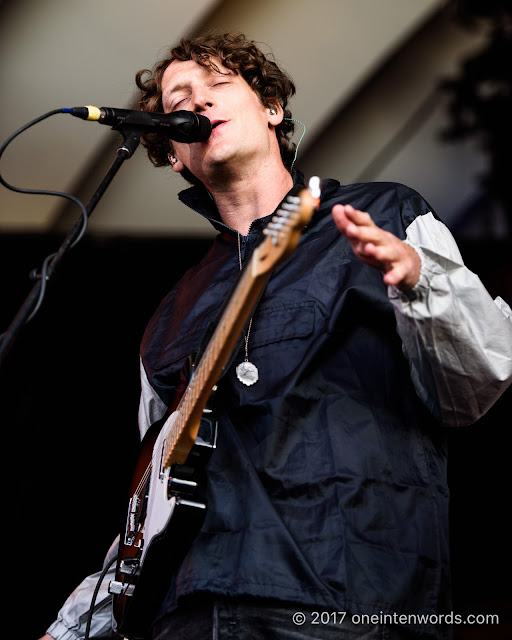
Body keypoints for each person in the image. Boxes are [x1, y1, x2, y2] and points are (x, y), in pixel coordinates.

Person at [39, 32, 512, 640]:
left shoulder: (386, 215)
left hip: (352, 603)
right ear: (173, 153)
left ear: (272, 110)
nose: (199, 100)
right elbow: (148, 508)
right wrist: (76, 626)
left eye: (218, 84)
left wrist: (420, 278)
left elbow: (480, 379)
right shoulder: (169, 316)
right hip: (189, 616)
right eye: (180, 96)